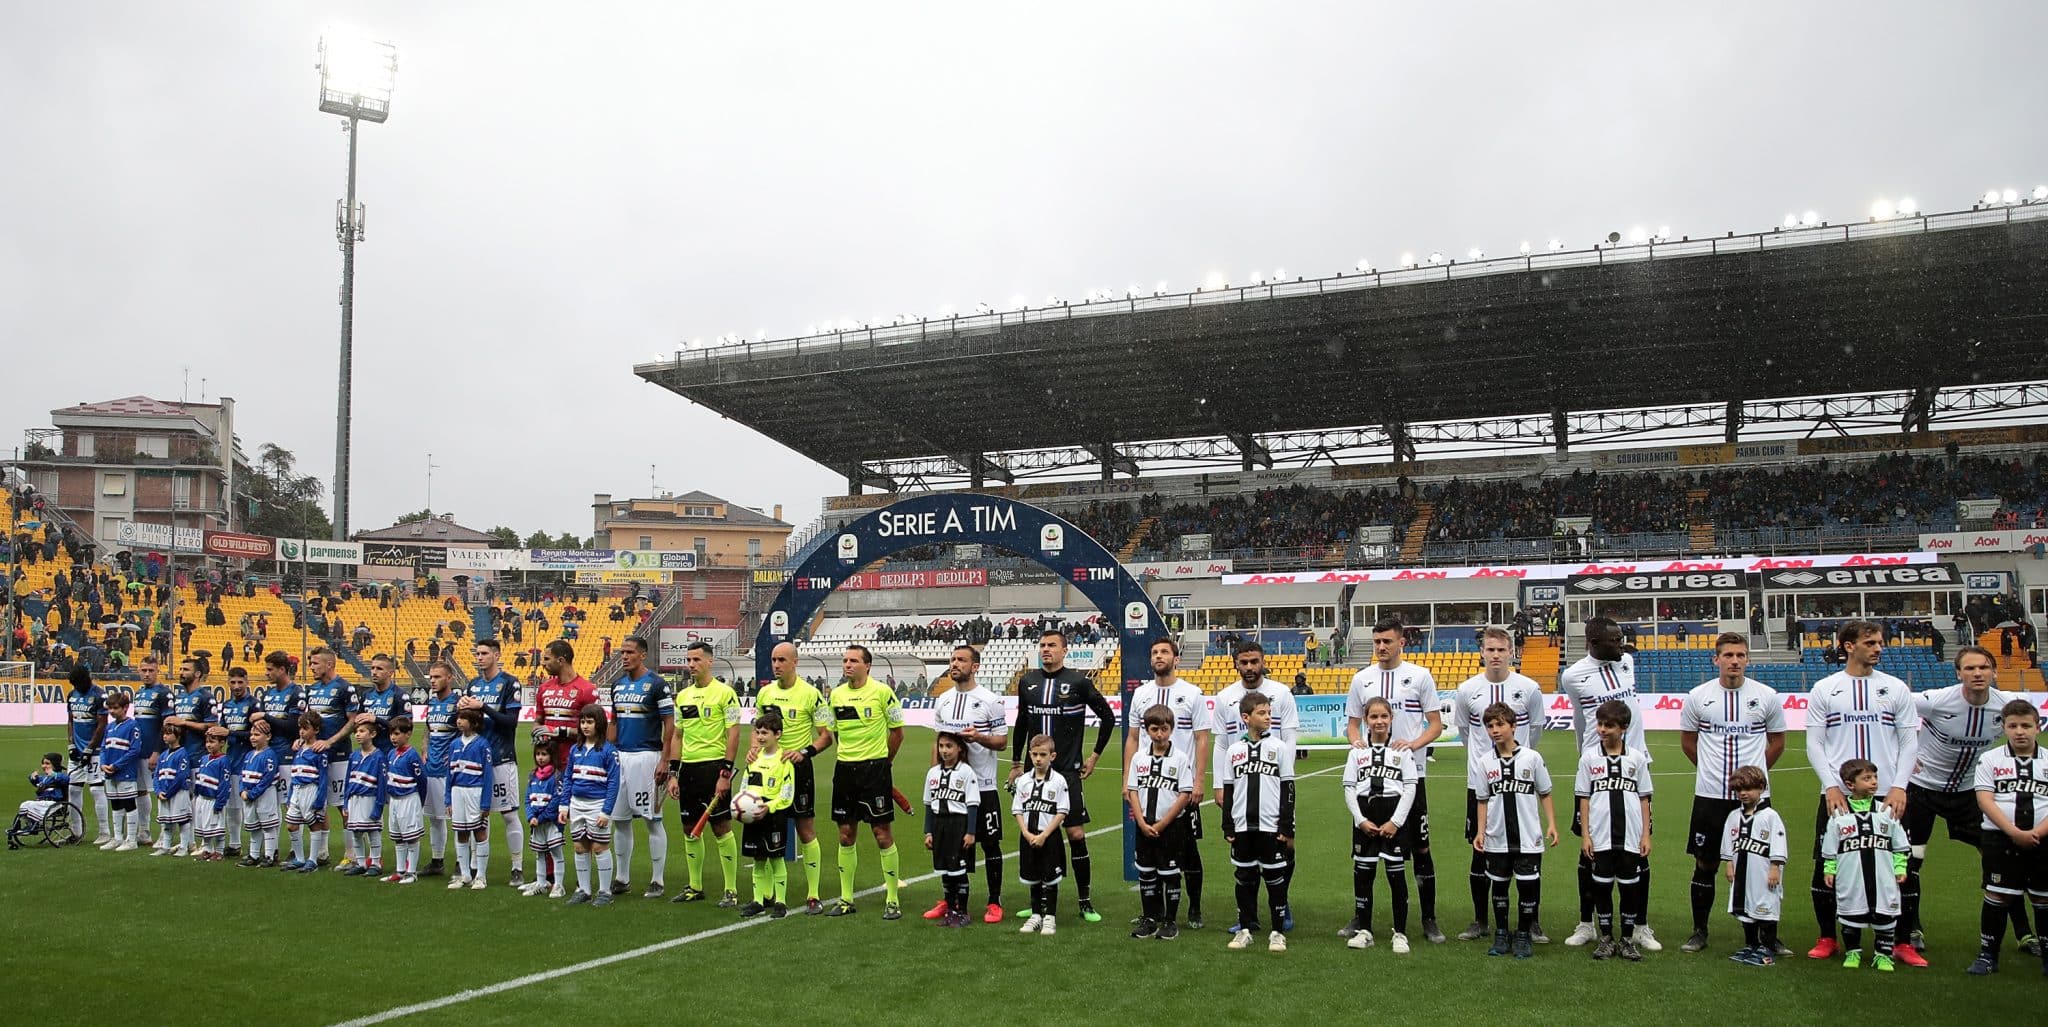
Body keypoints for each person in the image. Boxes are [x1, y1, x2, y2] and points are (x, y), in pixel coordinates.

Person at [1804, 619, 1919, 961]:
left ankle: (1901, 942)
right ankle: (1828, 937)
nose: (1879, 648)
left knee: (1901, 866)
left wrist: (1899, 785)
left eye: (1880, 642)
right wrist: (1830, 786)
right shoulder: (1826, 689)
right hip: (1839, 795)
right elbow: (1814, 743)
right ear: (1848, 645)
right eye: (1870, 642)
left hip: (1887, 797)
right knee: (1826, 863)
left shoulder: (1896, 688)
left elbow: (1909, 740)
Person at [1900, 645, 2018, 966]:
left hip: (1968, 794)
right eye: (1969, 669)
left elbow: (2027, 731)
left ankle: (2024, 932)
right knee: (1911, 859)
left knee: (2001, 855)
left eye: (1983, 667)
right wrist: (1902, 757)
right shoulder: (1937, 700)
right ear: (1958, 674)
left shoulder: (2007, 705)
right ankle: (1911, 928)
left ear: (1993, 671)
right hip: (1922, 791)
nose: (1977, 673)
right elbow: (1891, 709)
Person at [1677, 632, 1786, 954]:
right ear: (1716, 660)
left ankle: (1768, 935)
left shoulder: (1766, 696)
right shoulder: (1698, 696)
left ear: (1747, 659)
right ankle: (1699, 931)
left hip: (1756, 803)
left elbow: (1778, 742)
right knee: (1705, 863)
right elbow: (1688, 741)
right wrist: (1711, 772)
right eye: (1728, 655)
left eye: (1740, 655)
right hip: (1710, 795)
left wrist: (1752, 781)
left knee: (1761, 864)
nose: (1734, 661)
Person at [1344, 618, 1446, 943]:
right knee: (1366, 851)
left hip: (1410, 778)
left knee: (1421, 847)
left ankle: (1428, 918)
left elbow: (1435, 725)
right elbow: (1351, 726)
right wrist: (1356, 744)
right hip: (1372, 784)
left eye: (1387, 641)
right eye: (1377, 642)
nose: (1381, 647)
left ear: (1402, 642)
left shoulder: (1420, 676)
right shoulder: (1362, 679)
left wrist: (1411, 746)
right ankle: (1361, 918)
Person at [1558, 617, 1655, 951]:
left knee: (1639, 850)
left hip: (1635, 764)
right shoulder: (1573, 676)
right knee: (1590, 852)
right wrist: (1588, 757)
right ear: (1593, 641)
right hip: (1595, 770)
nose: (1622, 644)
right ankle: (1587, 923)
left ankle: (1640, 926)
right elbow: (1580, 719)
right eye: (1615, 639)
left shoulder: (1626, 661)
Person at [1007, 629, 1115, 923]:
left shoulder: (1078, 682)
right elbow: (1020, 723)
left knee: (1075, 834)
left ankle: (1085, 901)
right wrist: (1017, 763)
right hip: (1033, 774)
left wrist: (1094, 756)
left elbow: (1108, 716)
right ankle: (1038, 902)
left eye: (1052, 645)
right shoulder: (1028, 682)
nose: (1046, 650)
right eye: (1042, 645)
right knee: (1034, 833)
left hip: (1066, 774)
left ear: (1064, 650)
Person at [1449, 627, 1545, 941]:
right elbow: (1465, 733)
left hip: (1520, 785)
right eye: (1490, 650)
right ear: (1482, 653)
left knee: (1527, 851)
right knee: (1480, 850)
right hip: (1481, 785)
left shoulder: (1528, 688)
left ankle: (1530, 922)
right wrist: (1483, 767)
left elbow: (1536, 731)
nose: (1495, 656)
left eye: (1501, 650)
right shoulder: (1466, 690)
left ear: (1512, 652)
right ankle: (1480, 920)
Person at [1210, 642, 1300, 932]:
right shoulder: (1226, 698)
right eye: (1244, 662)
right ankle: (1246, 915)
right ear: (1236, 663)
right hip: (1240, 780)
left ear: (1263, 662)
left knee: (1285, 844)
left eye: (1254, 661)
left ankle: (1281, 905)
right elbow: (1221, 743)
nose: (1249, 667)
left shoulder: (1281, 693)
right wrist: (1219, 784)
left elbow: (1290, 737)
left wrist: (1284, 774)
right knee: (1243, 851)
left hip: (1273, 781)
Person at [1124, 638, 1212, 929]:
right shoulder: (1141, 694)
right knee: (1150, 848)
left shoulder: (1192, 694)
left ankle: (1195, 907)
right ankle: (1154, 913)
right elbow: (1133, 738)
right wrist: (1128, 780)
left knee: (1188, 850)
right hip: (1149, 784)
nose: (1158, 656)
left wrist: (1198, 781)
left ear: (1176, 658)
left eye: (1164, 652)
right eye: (1154, 652)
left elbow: (1201, 738)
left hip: (1180, 786)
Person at [1967, 699, 2048, 976]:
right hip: (1999, 839)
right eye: (2012, 726)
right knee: (1998, 895)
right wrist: (2014, 832)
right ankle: (1988, 956)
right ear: (2004, 728)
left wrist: (2037, 832)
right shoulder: (1990, 758)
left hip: (2043, 840)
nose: (2019, 731)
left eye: (2026, 725)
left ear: (2038, 727)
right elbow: (1985, 799)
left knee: (2043, 898)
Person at [927, 644, 1008, 923]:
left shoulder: (990, 700)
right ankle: (951, 900)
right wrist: (935, 776)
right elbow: (938, 742)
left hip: (983, 786)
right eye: (952, 659)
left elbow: (1002, 742)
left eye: (961, 660)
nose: (955, 664)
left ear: (975, 667)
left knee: (990, 844)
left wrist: (979, 738)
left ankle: (994, 901)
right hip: (952, 791)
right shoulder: (944, 699)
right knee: (951, 844)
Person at [825, 644, 906, 918]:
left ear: (867, 665)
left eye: (853, 660)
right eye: (845, 660)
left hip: (875, 771)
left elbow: (897, 733)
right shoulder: (835, 695)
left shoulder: (883, 692)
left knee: (881, 834)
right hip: (845, 771)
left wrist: (885, 763)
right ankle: (846, 899)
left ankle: (892, 899)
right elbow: (835, 733)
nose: (847, 665)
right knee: (846, 834)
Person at [1473, 702, 1557, 960]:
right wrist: (1480, 831)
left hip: (1528, 838)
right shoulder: (1485, 762)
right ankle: (1501, 933)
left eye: (1500, 725)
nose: (1495, 730)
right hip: (1497, 838)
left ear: (1513, 726)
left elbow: (1545, 793)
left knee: (1527, 889)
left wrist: (1551, 823)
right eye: (1490, 726)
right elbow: (1483, 799)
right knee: (1498, 888)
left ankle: (1522, 934)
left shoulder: (1531, 758)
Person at [755, 641, 835, 914]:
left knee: (805, 829)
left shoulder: (811, 695)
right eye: (773, 659)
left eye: (781, 660)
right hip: (768, 771)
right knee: (764, 827)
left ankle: (813, 895)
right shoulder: (764, 693)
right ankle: (766, 894)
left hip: (798, 769)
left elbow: (826, 737)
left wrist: (804, 752)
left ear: (795, 662)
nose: (776, 665)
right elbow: (759, 732)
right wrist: (754, 751)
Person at [1576, 699, 1654, 961]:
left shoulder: (1636, 758)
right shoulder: (1589, 758)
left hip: (1631, 835)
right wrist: (1586, 834)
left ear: (1624, 728)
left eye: (1609, 725)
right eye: (1600, 724)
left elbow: (1644, 797)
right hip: (1601, 836)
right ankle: (1606, 937)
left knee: (1630, 888)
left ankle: (1628, 939)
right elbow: (1584, 798)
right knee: (1602, 887)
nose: (1602, 730)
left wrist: (1645, 834)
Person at [667, 641, 743, 905]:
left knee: (721, 827)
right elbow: (677, 735)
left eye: (697, 660)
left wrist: (725, 772)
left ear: (709, 661)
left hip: (714, 768)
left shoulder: (725, 694)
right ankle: (694, 886)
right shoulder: (684, 696)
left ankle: (731, 890)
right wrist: (673, 773)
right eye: (689, 660)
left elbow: (734, 733)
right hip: (688, 769)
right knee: (689, 828)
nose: (691, 665)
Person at [1343, 696, 1419, 953]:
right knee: (1363, 876)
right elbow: (1349, 788)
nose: (1379, 721)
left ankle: (1400, 932)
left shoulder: (1402, 752)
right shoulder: (1357, 753)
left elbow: (1410, 788)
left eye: (1383, 716)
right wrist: (1360, 820)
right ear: (1365, 720)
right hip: (1365, 818)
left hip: (1393, 819)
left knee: (1396, 877)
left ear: (1391, 719)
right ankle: (1365, 930)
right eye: (1373, 717)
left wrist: (1395, 822)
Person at [1222, 691, 1295, 953]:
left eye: (1269, 712)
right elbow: (1228, 791)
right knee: (1244, 878)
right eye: (1261, 713)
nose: (1267, 717)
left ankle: (1277, 931)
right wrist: (1227, 825)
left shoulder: (1279, 748)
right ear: (1246, 717)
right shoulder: (1234, 750)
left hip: (1270, 826)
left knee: (1275, 879)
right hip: (1242, 828)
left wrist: (1285, 826)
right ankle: (1245, 929)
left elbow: (1288, 788)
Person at [1822, 757, 1909, 971]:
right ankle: (1853, 951)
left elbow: (1899, 845)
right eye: (1867, 778)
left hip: (1883, 875)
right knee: (1851, 910)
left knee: (1885, 911)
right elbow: (1831, 847)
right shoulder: (1839, 815)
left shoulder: (1885, 812)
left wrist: (1900, 867)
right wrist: (1829, 869)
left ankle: (1883, 954)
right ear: (1850, 784)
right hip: (1851, 875)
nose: (1874, 782)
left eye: (1875, 777)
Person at [607, 634, 674, 899]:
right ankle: (622, 878)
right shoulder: (617, 685)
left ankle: (657, 880)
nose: (624, 656)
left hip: (647, 757)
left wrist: (665, 759)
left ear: (642, 654)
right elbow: (613, 721)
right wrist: (607, 751)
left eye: (629, 652)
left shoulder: (657, 685)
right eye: (622, 652)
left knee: (652, 819)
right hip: (620, 757)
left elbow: (669, 724)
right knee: (620, 820)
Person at [463, 638, 528, 886]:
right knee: (478, 816)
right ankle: (477, 867)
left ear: (497, 655)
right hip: (476, 761)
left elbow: (511, 721)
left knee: (509, 815)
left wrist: (484, 707)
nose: (479, 657)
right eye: (477, 653)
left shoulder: (510, 683)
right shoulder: (473, 684)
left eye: (484, 653)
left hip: (502, 758)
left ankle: (517, 866)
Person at [1721, 765, 1789, 967]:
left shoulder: (1770, 816)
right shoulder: (1734, 817)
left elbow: (1778, 843)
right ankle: (1751, 944)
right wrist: (1728, 864)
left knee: (1765, 909)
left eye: (1748, 789)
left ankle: (1767, 949)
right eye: (1739, 790)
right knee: (1745, 910)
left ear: (1761, 788)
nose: (1743, 794)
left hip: (1764, 873)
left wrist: (1775, 867)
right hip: (1742, 874)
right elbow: (1728, 843)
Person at [738, 709, 796, 919]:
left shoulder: (784, 760)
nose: (761, 737)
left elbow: (787, 794)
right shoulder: (753, 758)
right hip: (753, 816)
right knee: (758, 859)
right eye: (758, 732)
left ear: (777, 734)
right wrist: (741, 805)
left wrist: (769, 807)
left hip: (773, 815)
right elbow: (744, 786)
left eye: (765, 733)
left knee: (776, 858)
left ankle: (780, 902)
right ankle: (758, 901)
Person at [303, 646, 357, 869]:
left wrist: (331, 741)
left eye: (315, 663)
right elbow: (307, 721)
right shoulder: (313, 689)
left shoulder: (344, 687)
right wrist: (302, 739)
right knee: (319, 802)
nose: (311, 667)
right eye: (311, 663)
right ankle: (322, 852)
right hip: (316, 756)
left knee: (343, 804)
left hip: (339, 754)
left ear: (329, 664)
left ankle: (351, 853)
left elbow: (353, 721)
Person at [563, 704, 622, 906]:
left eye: (590, 722)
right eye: (583, 722)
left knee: (599, 847)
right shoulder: (575, 749)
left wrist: (606, 811)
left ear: (600, 724)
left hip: (597, 804)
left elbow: (614, 783)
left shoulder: (609, 751)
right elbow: (568, 779)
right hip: (576, 804)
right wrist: (564, 806)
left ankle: (605, 892)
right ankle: (584, 890)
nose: (585, 726)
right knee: (580, 847)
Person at [1013, 734, 1070, 936]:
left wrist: (1045, 835)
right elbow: (1017, 810)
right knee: (1033, 877)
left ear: (1052, 756)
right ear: (1030, 755)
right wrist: (1026, 833)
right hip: (1029, 836)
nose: (1038, 759)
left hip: (1049, 837)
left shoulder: (1058, 781)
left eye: (1043, 755)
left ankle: (1050, 917)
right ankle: (1036, 914)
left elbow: (1062, 811)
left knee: (1050, 878)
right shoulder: (1023, 781)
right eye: (1035, 754)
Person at [922, 731, 980, 929]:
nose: (944, 750)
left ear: (959, 748)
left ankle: (962, 911)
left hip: (958, 825)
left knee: (959, 870)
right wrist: (928, 832)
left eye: (949, 746)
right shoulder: (933, 773)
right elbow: (929, 805)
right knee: (945, 870)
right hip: (939, 825)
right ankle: (950, 911)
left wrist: (970, 832)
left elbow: (972, 804)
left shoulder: (966, 772)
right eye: (941, 746)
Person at [421, 660, 462, 876]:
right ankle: (437, 861)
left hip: (450, 771)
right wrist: (424, 747)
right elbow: (428, 730)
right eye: (431, 677)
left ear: (449, 678)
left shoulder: (458, 703)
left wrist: (455, 756)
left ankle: (461, 861)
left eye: (437, 677)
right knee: (434, 817)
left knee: (455, 818)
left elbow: (466, 732)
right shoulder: (432, 703)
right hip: (432, 767)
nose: (433, 681)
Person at [445, 707, 494, 890]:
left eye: (464, 718)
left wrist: (485, 802)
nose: (459, 721)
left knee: (479, 832)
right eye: (458, 717)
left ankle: (480, 876)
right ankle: (465, 874)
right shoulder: (454, 744)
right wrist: (448, 799)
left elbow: (488, 775)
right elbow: (449, 774)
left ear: (474, 723)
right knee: (461, 832)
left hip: (475, 791)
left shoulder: (482, 745)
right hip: (458, 792)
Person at [129, 654, 173, 848]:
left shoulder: (164, 693)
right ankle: (144, 832)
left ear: (158, 671)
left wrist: (157, 751)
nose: (147, 674)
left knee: (160, 792)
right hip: (139, 750)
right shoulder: (139, 693)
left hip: (157, 752)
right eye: (144, 670)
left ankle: (165, 834)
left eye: (150, 671)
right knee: (140, 792)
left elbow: (167, 725)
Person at [214, 667, 257, 858]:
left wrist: (230, 733)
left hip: (249, 760)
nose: (237, 686)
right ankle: (235, 843)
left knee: (251, 805)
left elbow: (257, 734)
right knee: (232, 806)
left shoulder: (254, 705)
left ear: (247, 682)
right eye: (233, 682)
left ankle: (258, 848)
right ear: (228, 683)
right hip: (231, 760)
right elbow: (222, 730)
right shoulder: (227, 705)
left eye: (240, 682)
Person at [63, 665, 108, 844]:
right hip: (77, 750)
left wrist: (90, 748)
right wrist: (71, 745)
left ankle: (104, 832)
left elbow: (102, 724)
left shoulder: (99, 695)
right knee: (73, 789)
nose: (76, 687)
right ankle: (76, 832)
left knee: (96, 789)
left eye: (78, 684)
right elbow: (70, 721)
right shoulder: (72, 695)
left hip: (95, 752)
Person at [95, 689, 145, 852]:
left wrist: (116, 765)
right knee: (115, 804)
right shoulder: (109, 727)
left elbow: (134, 750)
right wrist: (103, 764)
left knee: (129, 803)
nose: (111, 711)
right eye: (110, 708)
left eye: (115, 708)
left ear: (125, 708)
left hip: (125, 772)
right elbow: (103, 747)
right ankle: (117, 837)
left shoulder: (132, 726)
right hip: (109, 772)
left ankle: (131, 839)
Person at [379, 716, 425, 884]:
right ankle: (400, 871)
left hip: (408, 798)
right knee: (398, 836)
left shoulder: (412, 756)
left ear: (408, 734)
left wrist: (419, 800)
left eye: (397, 733)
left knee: (411, 836)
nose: (393, 737)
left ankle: (411, 872)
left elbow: (422, 780)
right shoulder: (391, 753)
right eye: (391, 733)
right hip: (394, 800)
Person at [521, 734, 567, 898]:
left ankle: (558, 885)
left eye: (544, 754)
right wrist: (530, 816)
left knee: (556, 852)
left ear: (551, 756)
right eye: (538, 754)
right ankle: (541, 883)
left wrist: (540, 818)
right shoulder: (532, 776)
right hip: (536, 823)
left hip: (551, 823)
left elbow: (556, 801)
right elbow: (527, 799)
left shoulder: (556, 777)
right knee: (539, 853)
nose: (540, 758)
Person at [282, 713, 329, 872]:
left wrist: (320, 798)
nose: (301, 732)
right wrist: (290, 794)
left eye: (305, 728)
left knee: (313, 824)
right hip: (296, 790)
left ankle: (313, 860)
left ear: (316, 730)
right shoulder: (299, 748)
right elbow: (294, 773)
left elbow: (323, 776)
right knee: (291, 825)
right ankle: (300, 858)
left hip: (311, 789)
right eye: (300, 728)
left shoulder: (318, 751)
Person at [341, 721, 387, 878]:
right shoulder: (353, 755)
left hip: (370, 798)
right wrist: (345, 802)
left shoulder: (379, 756)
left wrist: (378, 806)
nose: (358, 734)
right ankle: (360, 863)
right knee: (356, 832)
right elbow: (348, 780)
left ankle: (375, 862)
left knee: (373, 831)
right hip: (354, 799)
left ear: (373, 734)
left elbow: (382, 784)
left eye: (362, 731)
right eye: (356, 731)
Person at [234, 718, 282, 867]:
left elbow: (267, 779)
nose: (253, 737)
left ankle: (269, 855)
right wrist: (242, 790)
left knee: (268, 826)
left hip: (264, 795)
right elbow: (242, 774)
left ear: (268, 737)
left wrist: (252, 793)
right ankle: (254, 855)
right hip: (248, 795)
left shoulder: (269, 755)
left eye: (257, 734)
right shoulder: (249, 755)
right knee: (254, 826)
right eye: (252, 734)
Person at [190, 726, 233, 861]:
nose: (209, 744)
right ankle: (208, 849)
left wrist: (220, 802)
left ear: (222, 743)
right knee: (204, 826)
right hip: (202, 798)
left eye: (213, 741)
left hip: (214, 799)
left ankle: (219, 852)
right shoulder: (204, 759)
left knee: (216, 826)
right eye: (207, 741)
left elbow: (224, 783)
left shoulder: (223, 760)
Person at [151, 726, 193, 857]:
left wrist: (168, 793)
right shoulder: (163, 755)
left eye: (169, 734)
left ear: (178, 736)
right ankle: (166, 846)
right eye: (164, 733)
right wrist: (158, 791)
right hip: (163, 793)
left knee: (182, 820)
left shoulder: (182, 754)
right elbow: (156, 775)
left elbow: (181, 776)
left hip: (178, 793)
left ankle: (184, 847)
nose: (165, 736)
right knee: (166, 821)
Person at [354, 655, 407, 751]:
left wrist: (377, 720)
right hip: (369, 753)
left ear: (390, 673)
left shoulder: (399, 695)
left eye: (379, 669)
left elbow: (405, 727)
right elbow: (358, 721)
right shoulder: (366, 695)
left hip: (390, 753)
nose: (374, 672)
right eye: (372, 668)